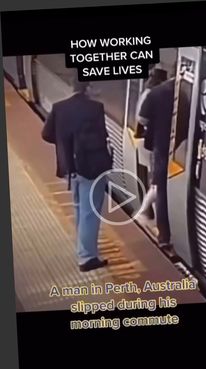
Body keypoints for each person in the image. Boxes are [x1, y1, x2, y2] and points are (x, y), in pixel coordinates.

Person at [41, 76, 112, 272]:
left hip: (70, 168)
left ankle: (83, 250)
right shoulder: (95, 108)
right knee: (90, 213)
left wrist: (64, 145)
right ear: (87, 88)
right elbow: (101, 136)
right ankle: (87, 258)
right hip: (92, 168)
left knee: (80, 209)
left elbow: (46, 134)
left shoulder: (59, 107)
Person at [137, 75, 175, 250]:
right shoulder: (187, 92)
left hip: (160, 146)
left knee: (160, 187)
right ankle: (144, 211)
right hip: (182, 148)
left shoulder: (156, 93)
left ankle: (164, 236)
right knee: (163, 187)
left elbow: (142, 119)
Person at [134, 67, 167, 225]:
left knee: (153, 178)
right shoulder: (153, 94)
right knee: (155, 180)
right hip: (150, 141)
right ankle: (145, 211)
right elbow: (142, 118)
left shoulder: (147, 92)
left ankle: (147, 211)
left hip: (146, 140)